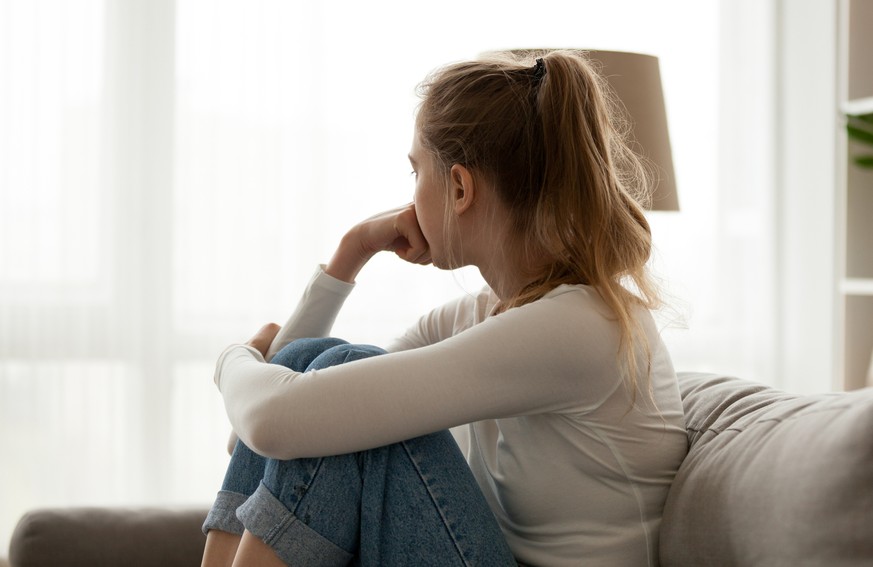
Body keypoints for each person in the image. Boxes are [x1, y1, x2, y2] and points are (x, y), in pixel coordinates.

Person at [200, 50, 687, 567]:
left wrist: (232, 359)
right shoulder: (482, 315)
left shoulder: (580, 326)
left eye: (416, 172)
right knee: (327, 369)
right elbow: (266, 436)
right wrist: (351, 252)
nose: (409, 199)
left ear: (459, 187)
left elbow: (273, 419)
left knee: (343, 371)